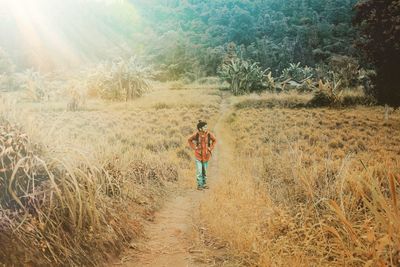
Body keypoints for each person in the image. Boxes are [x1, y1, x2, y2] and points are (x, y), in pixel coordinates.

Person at [187, 120, 217, 190]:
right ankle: (199, 185)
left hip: (206, 155)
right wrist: (195, 147)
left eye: (206, 126)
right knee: (199, 171)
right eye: (205, 127)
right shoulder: (197, 135)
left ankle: (204, 184)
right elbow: (189, 140)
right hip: (198, 156)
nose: (206, 128)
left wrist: (210, 148)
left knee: (205, 171)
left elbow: (214, 140)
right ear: (200, 128)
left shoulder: (209, 134)